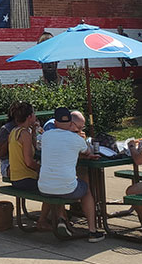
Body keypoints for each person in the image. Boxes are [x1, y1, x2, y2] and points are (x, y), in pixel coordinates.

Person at [38, 108, 104, 242]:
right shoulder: (76, 139)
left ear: (55, 122)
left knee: (57, 183)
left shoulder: (45, 136)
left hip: (43, 188)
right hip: (65, 188)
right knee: (85, 188)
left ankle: (62, 218)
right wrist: (79, 136)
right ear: (70, 124)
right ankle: (92, 230)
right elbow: (88, 151)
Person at [8, 102, 55, 228]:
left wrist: (34, 130)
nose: (35, 116)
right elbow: (29, 162)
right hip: (25, 179)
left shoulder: (14, 132)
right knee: (54, 187)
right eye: (34, 113)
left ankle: (60, 218)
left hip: (16, 177)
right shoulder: (24, 134)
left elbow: (33, 148)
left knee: (53, 183)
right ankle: (43, 221)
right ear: (29, 117)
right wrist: (43, 170)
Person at [0, 102, 21, 182]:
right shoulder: (6, 129)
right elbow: (0, 154)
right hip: (8, 163)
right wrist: (10, 138)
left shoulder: (29, 127)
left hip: (23, 162)